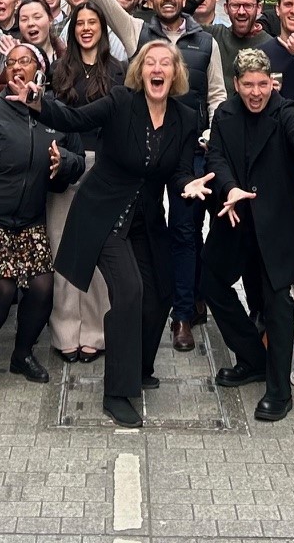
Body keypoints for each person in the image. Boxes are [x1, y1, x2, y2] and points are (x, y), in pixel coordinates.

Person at [18, 38, 208, 429]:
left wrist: (188, 184)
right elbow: (75, 119)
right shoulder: (121, 102)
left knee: (161, 293)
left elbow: (178, 169)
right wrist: (39, 101)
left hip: (146, 219)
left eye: (166, 63)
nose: (158, 69)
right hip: (103, 214)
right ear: (141, 71)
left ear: (175, 74)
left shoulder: (186, 118)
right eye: (150, 62)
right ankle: (117, 393)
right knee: (129, 292)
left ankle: (138, 367)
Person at [205, 49, 294, 421]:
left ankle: (280, 391)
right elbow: (216, 159)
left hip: (275, 225)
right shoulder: (225, 115)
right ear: (236, 85)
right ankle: (253, 358)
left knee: (277, 303)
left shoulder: (284, 110)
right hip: (236, 218)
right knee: (209, 281)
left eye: (263, 84)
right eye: (249, 85)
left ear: (272, 83)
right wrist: (228, 187)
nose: (257, 92)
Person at [0, 43, 84, 391]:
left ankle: (21, 354)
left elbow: (78, 160)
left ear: (39, 68)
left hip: (28, 220)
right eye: (11, 62)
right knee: (3, 288)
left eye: (26, 60)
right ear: (6, 71)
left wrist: (64, 163)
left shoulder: (53, 111)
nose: (18, 67)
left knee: (42, 287)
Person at [135, 0, 227, 353]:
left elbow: (218, 93)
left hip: (193, 151)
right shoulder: (141, 34)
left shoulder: (205, 41)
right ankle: (163, 295)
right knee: (154, 225)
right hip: (151, 147)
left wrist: (211, 132)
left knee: (188, 228)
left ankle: (182, 314)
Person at [44, 0, 123, 362]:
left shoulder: (119, 71)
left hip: (104, 168)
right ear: (72, 30)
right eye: (80, 23)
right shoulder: (59, 71)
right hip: (63, 165)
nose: (86, 28)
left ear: (103, 30)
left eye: (93, 23)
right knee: (62, 249)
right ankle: (65, 332)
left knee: (96, 253)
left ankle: (96, 331)